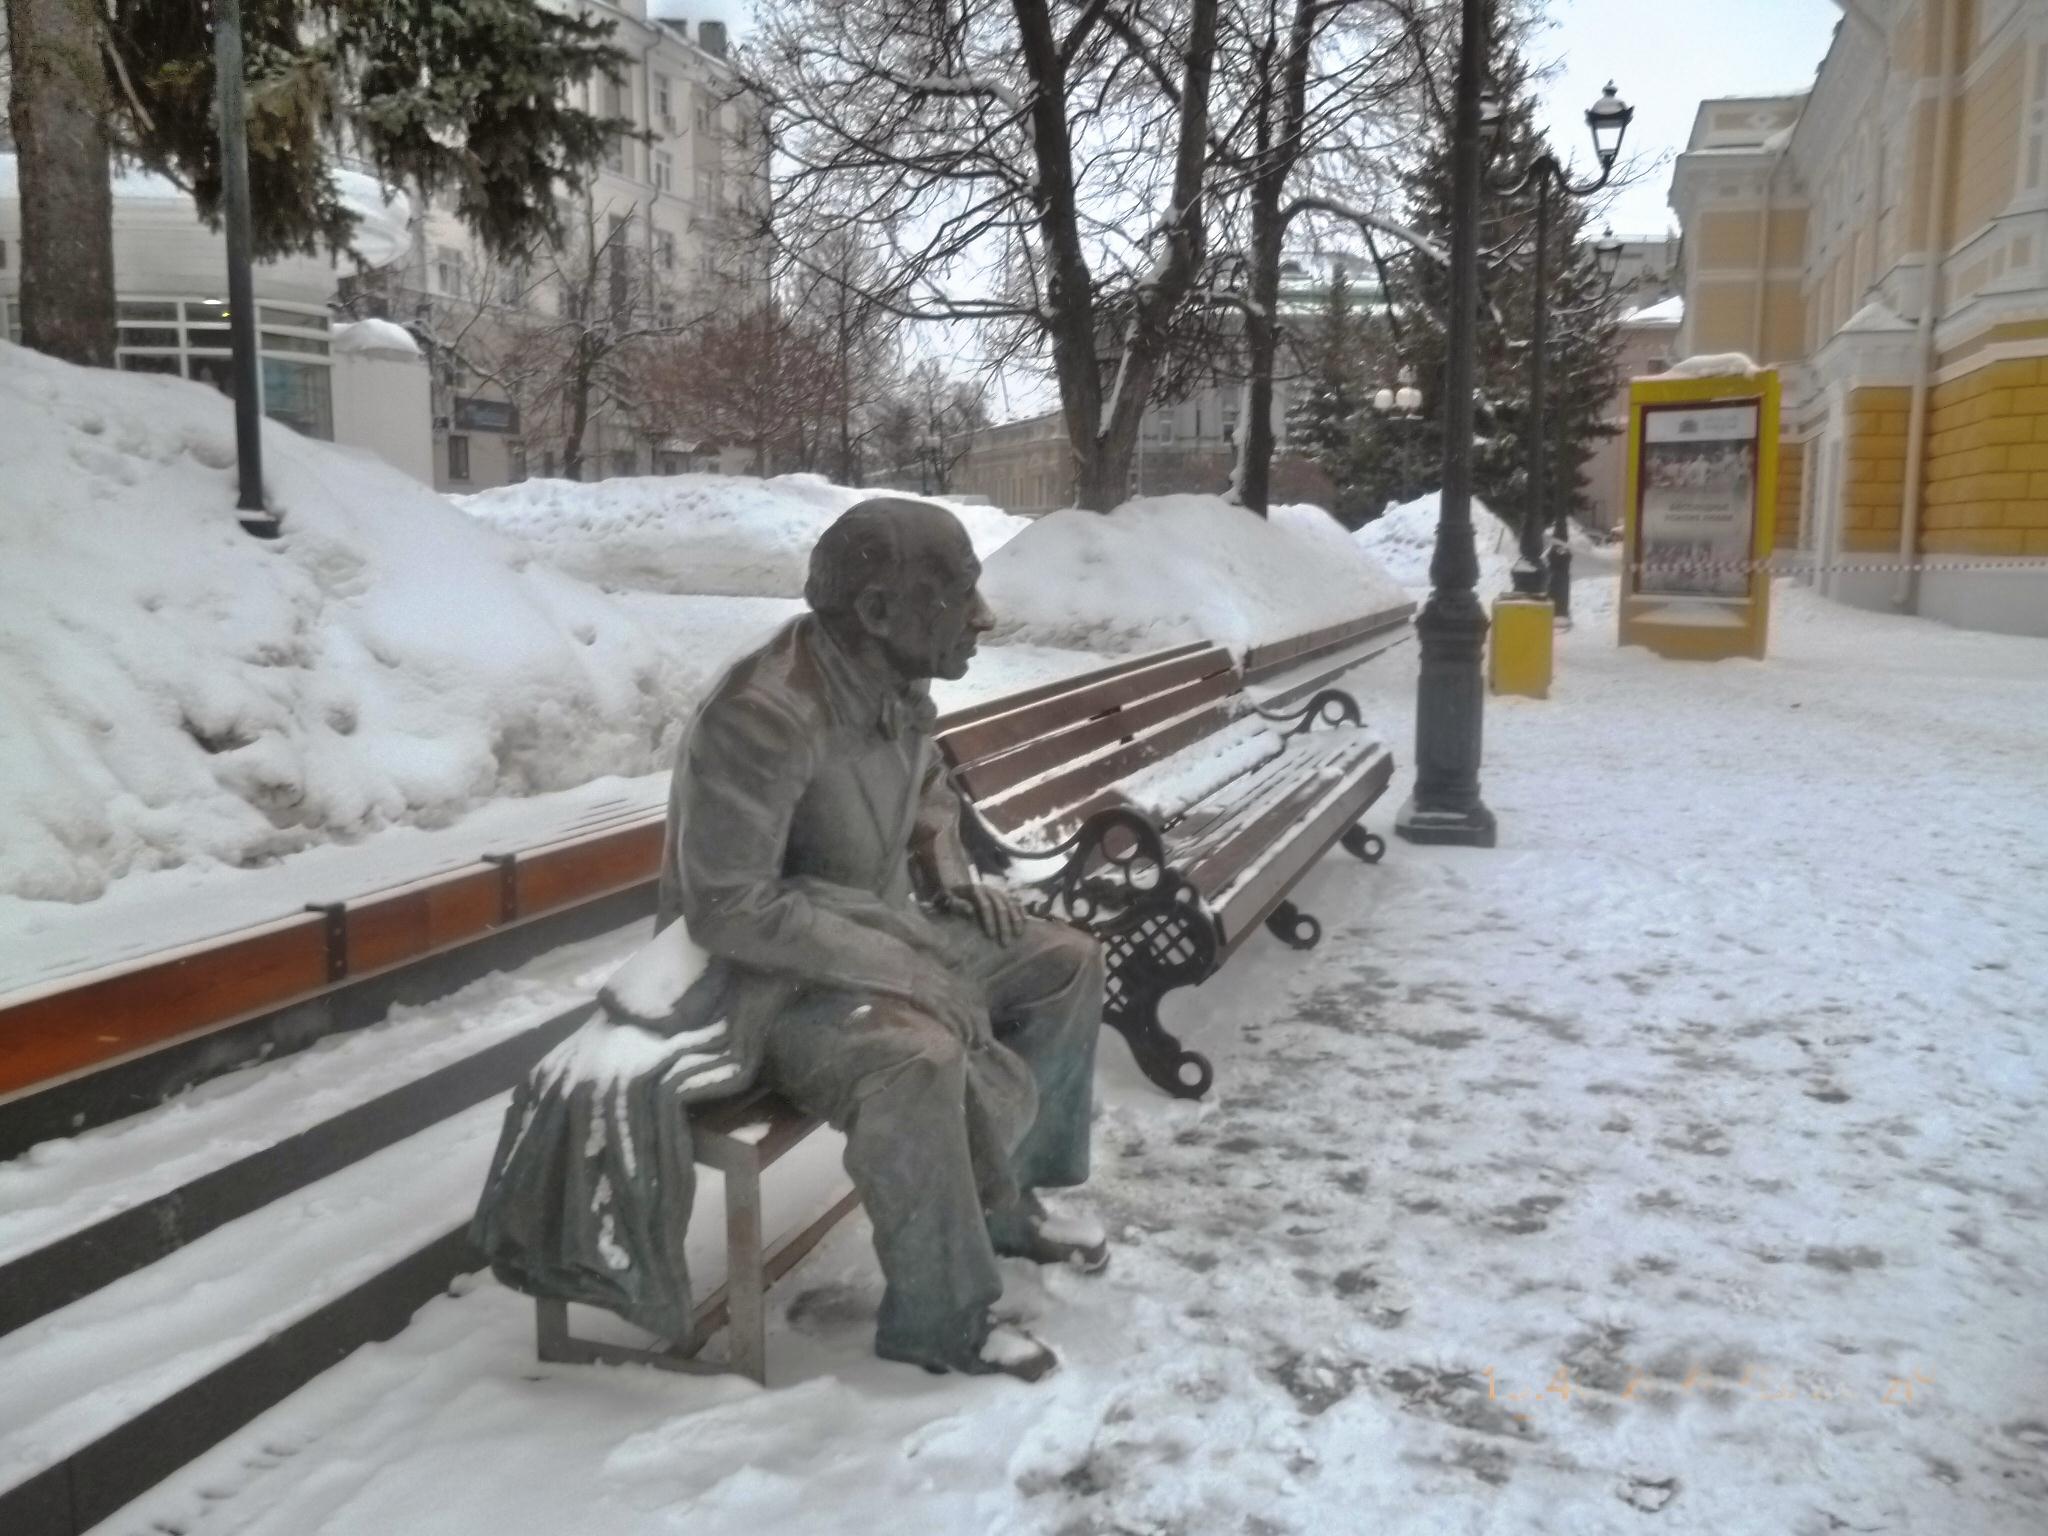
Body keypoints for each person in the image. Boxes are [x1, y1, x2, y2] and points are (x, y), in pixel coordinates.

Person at [656, 496, 1108, 1381]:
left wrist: (948, 881)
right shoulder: (764, 715)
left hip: (878, 931)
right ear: (874, 612)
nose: (982, 618)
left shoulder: (895, 680)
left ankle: (1006, 1204)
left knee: (1065, 963)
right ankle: (940, 1320)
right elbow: (729, 908)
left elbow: (928, 791)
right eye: (962, 594)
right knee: (917, 1058)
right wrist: (899, 967)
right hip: (764, 986)